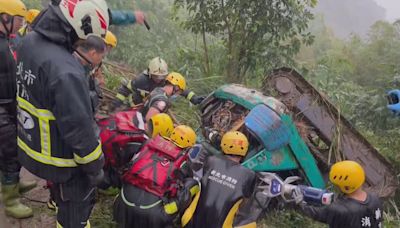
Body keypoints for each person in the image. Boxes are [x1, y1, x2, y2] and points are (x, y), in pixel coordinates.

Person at [16, 0, 110, 227]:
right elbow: (79, 130)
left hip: (32, 145)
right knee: (74, 214)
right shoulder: (66, 70)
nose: (83, 42)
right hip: (61, 161)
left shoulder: (28, 42)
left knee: (62, 199)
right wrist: (96, 167)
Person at [113, 125, 199, 228]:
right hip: (153, 217)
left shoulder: (148, 144)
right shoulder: (183, 164)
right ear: (189, 147)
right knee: (193, 184)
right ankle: (180, 220)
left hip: (121, 206)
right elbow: (184, 184)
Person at [0, 0, 38, 219]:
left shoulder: (9, 40)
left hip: (9, 102)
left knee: (14, 145)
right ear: (5, 18)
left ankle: (13, 182)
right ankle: (11, 199)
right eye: (19, 19)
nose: (21, 24)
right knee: (9, 150)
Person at [183, 131, 257, 228]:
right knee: (252, 223)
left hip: (188, 223)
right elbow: (246, 202)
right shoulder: (249, 175)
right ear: (245, 150)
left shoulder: (211, 160)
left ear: (223, 145)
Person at [297, 160, 383, 228]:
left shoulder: (339, 209)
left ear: (345, 187)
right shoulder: (375, 199)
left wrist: (298, 204)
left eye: (337, 185)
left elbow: (315, 213)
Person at [111, 57, 204, 112]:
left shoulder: (165, 81)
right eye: (156, 76)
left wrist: (193, 98)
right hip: (134, 107)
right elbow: (125, 89)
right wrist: (117, 103)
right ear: (150, 73)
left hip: (152, 108)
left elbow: (180, 88)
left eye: (162, 76)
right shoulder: (141, 80)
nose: (159, 79)